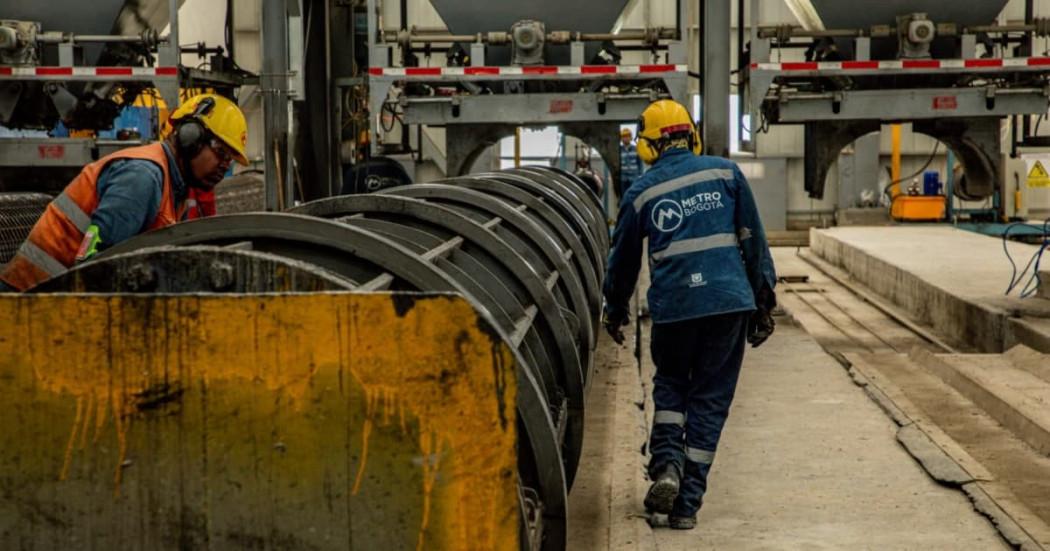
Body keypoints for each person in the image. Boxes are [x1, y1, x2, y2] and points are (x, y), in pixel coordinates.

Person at [602, 99, 777, 530]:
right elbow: (752, 241)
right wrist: (763, 302)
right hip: (727, 303)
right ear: (689, 134)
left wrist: (615, 308)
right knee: (710, 401)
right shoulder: (725, 173)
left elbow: (622, 261)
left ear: (648, 145)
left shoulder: (641, 192)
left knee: (672, 387)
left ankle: (666, 467)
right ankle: (687, 506)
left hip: (675, 309)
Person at [0, 93, 248, 291]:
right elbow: (96, 267)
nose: (225, 166)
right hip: (30, 299)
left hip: (54, 295)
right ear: (190, 137)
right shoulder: (142, 178)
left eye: (231, 160)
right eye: (222, 153)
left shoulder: (176, 188)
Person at [620, 127, 644, 193]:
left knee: (634, 194)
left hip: (634, 177)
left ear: (631, 137)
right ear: (621, 138)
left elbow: (640, 163)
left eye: (628, 136)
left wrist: (640, 175)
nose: (626, 138)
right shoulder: (619, 150)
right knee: (623, 195)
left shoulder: (636, 149)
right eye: (624, 136)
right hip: (623, 178)